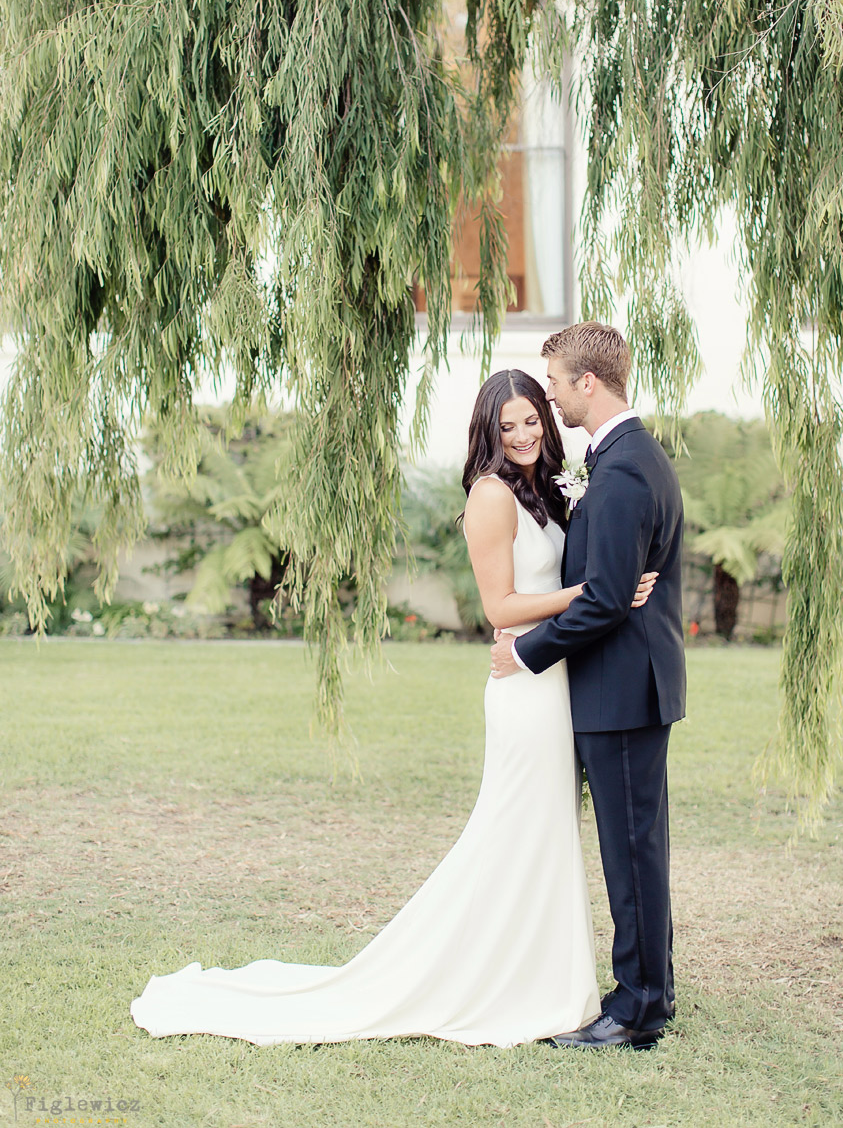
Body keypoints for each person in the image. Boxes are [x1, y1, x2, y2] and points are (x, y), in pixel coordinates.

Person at [130, 368, 656, 1048]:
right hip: (523, 690)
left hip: (552, 682)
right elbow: (499, 608)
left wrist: (592, 591)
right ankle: (498, 981)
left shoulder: (546, 492)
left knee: (547, 833)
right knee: (514, 830)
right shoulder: (492, 495)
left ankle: (541, 975)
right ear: (488, 434)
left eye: (533, 420)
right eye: (509, 425)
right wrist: (595, 592)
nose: (524, 434)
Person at [491, 323, 686, 1050]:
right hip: (628, 688)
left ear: (588, 384)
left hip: (620, 693)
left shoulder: (626, 469)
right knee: (640, 847)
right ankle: (649, 990)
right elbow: (607, 588)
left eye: (555, 384)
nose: (550, 398)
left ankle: (637, 1009)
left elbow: (604, 600)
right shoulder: (625, 459)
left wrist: (528, 650)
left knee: (631, 852)